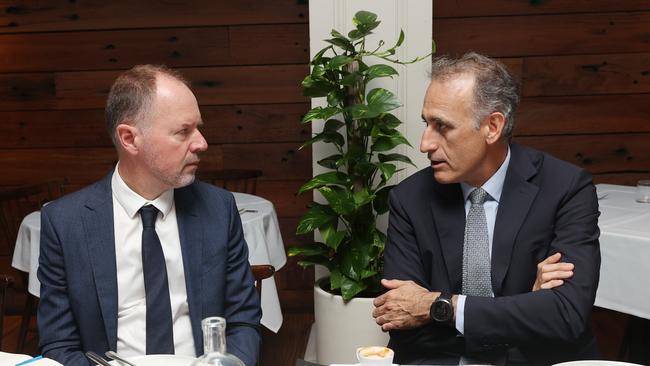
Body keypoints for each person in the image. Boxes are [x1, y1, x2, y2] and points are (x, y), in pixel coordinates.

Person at [372, 52, 600, 365]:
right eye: (426, 123)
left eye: (443, 126)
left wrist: (437, 306)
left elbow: (566, 315)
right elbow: (401, 321)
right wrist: (528, 305)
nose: (425, 144)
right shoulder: (409, 199)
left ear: (492, 127)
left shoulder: (566, 188)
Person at [37, 65, 261, 366]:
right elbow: (59, 344)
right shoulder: (65, 223)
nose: (201, 143)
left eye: (198, 128)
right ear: (130, 139)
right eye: (183, 131)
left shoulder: (218, 209)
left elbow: (243, 322)